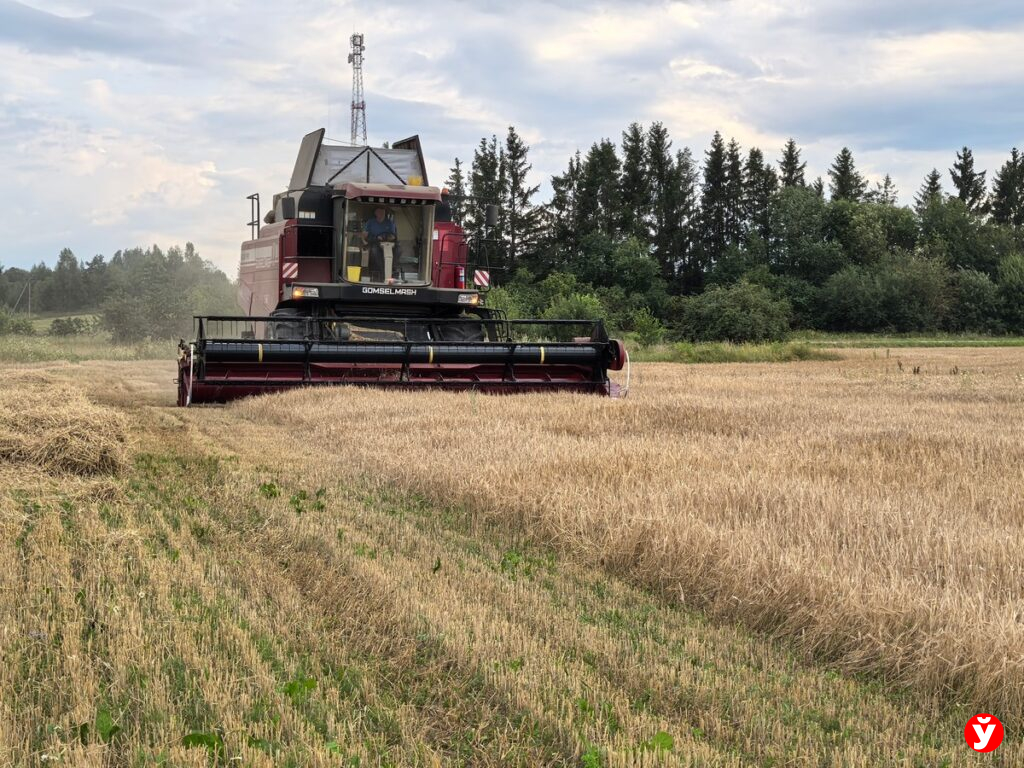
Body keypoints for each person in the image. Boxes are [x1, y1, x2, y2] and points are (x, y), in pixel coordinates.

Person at [361, 206, 401, 281]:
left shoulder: (390, 223)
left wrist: (389, 237)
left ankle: (393, 269)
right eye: (379, 211)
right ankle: (382, 271)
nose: (381, 213)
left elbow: (393, 235)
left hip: (389, 243)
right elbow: (364, 234)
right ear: (375, 213)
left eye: (383, 211)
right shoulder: (370, 222)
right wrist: (365, 241)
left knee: (398, 250)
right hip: (375, 242)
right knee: (374, 251)